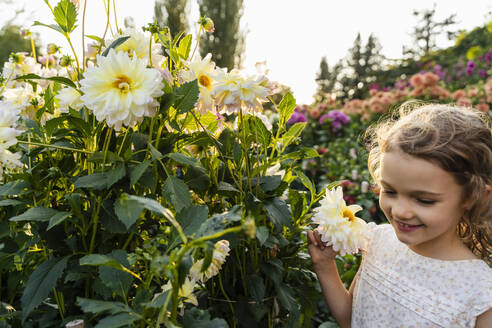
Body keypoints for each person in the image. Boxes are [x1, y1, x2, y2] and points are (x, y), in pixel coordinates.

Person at [308, 102, 492, 327]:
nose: (400, 211)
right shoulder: (380, 244)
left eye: (424, 200)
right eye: (390, 191)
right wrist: (325, 267)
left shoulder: (480, 294)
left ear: (471, 197)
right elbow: (352, 320)